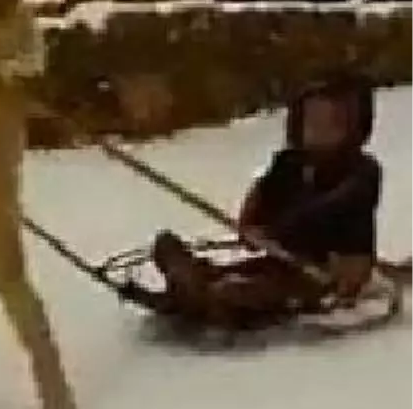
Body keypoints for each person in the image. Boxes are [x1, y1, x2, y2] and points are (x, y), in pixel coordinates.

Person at [142, 75, 382, 332]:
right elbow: (264, 199)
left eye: (331, 122)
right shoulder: (288, 163)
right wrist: (251, 222)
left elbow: (330, 208)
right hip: (280, 262)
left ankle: (216, 296)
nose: (318, 129)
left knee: (244, 290)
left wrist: (277, 231)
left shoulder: (362, 171)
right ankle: (198, 283)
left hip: (328, 274)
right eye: (312, 120)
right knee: (172, 247)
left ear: (354, 127)